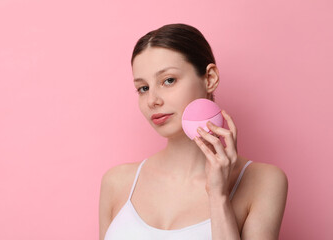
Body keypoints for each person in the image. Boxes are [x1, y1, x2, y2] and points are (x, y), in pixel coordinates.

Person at [99, 23, 288, 240]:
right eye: (143, 88)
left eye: (168, 80)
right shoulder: (116, 182)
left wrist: (218, 197)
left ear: (210, 78)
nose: (152, 100)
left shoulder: (263, 181)